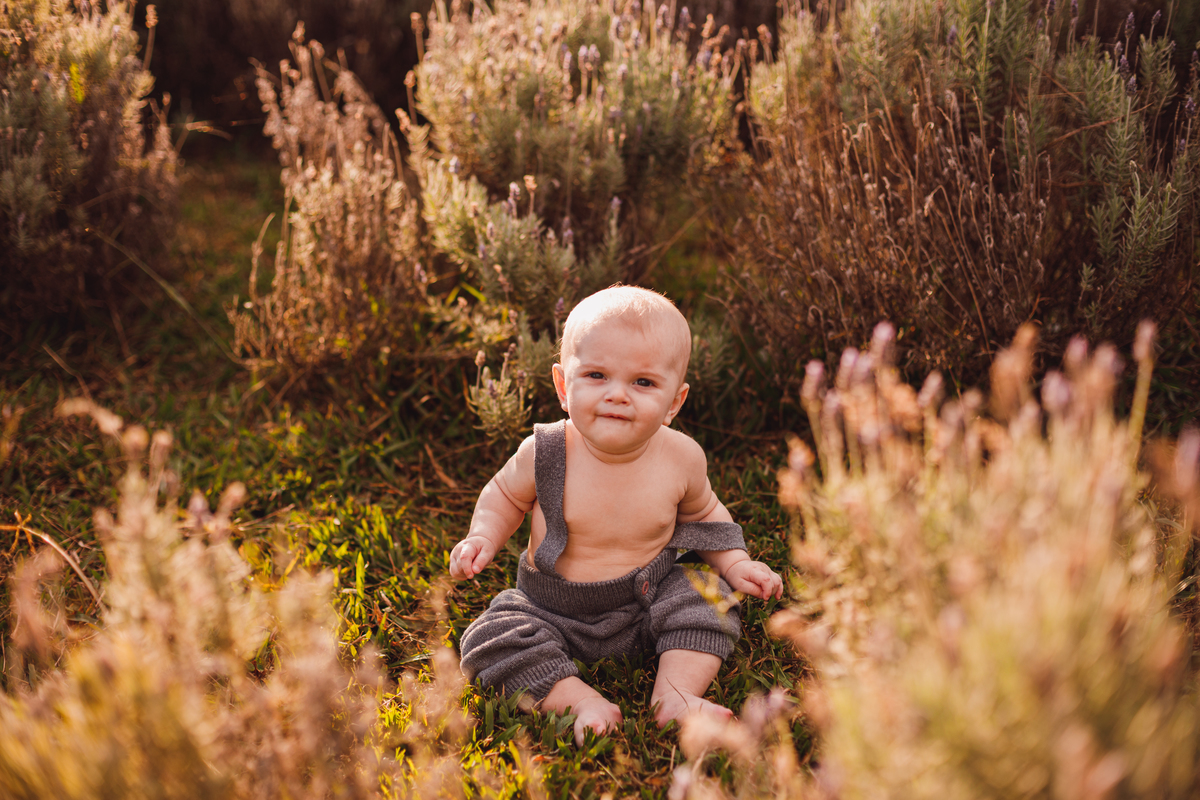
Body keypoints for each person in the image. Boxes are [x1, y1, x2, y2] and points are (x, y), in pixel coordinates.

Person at [449, 285, 783, 746]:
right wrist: (482, 535)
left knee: (708, 592)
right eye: (597, 375)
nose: (617, 395)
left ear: (674, 403)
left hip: (649, 599)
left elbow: (706, 516)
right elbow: (503, 494)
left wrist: (737, 563)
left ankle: (677, 693)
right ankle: (577, 700)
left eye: (642, 382)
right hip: (551, 609)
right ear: (564, 387)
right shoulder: (545, 450)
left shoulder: (681, 458)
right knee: (492, 636)